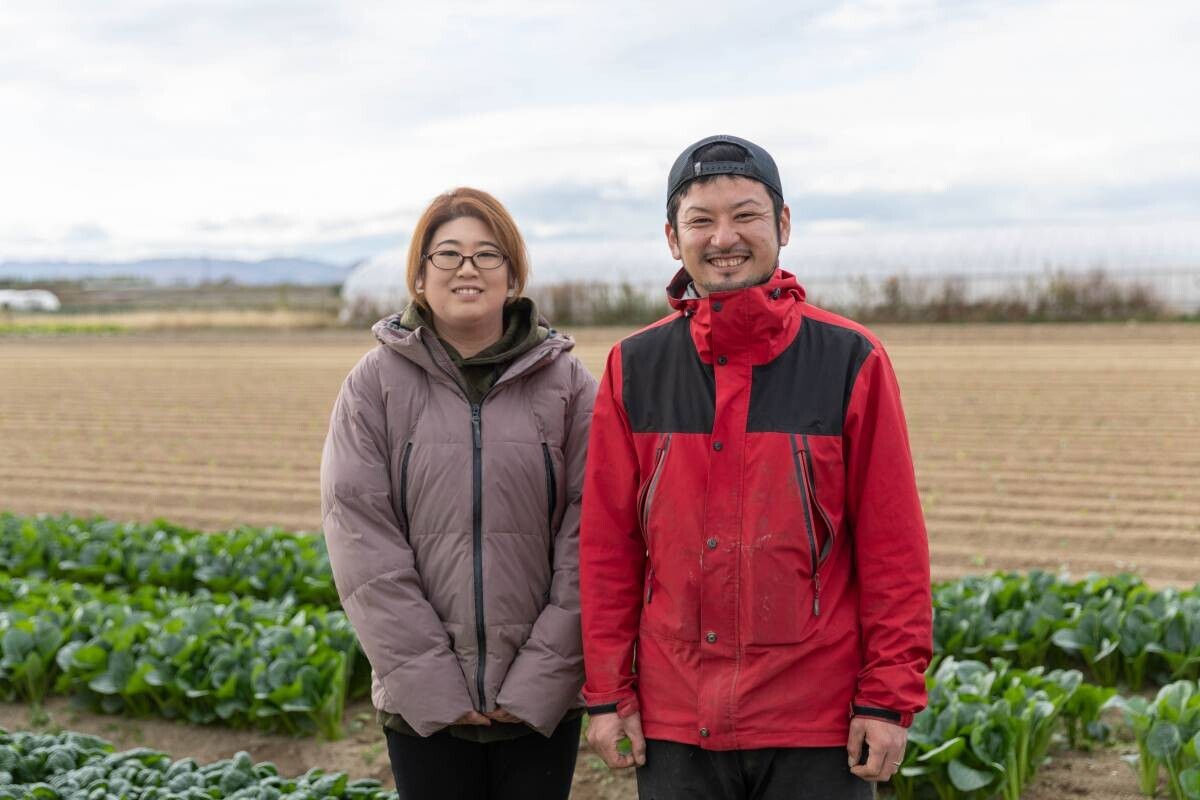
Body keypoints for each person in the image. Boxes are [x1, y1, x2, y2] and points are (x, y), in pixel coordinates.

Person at [579, 135, 932, 799]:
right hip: (677, 718)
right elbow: (608, 549)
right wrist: (606, 692)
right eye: (700, 220)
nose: (723, 238)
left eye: (745, 216)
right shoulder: (635, 367)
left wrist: (887, 701)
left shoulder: (851, 360)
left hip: (816, 721)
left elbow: (894, 548)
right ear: (670, 236)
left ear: (784, 225)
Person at [321, 187, 596, 800]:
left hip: (542, 706)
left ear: (514, 273)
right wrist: (433, 688)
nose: (467, 269)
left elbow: (593, 538)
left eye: (487, 254)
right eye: (447, 255)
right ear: (419, 276)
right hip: (422, 709)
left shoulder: (570, 386)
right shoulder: (374, 386)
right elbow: (362, 542)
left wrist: (538, 683)